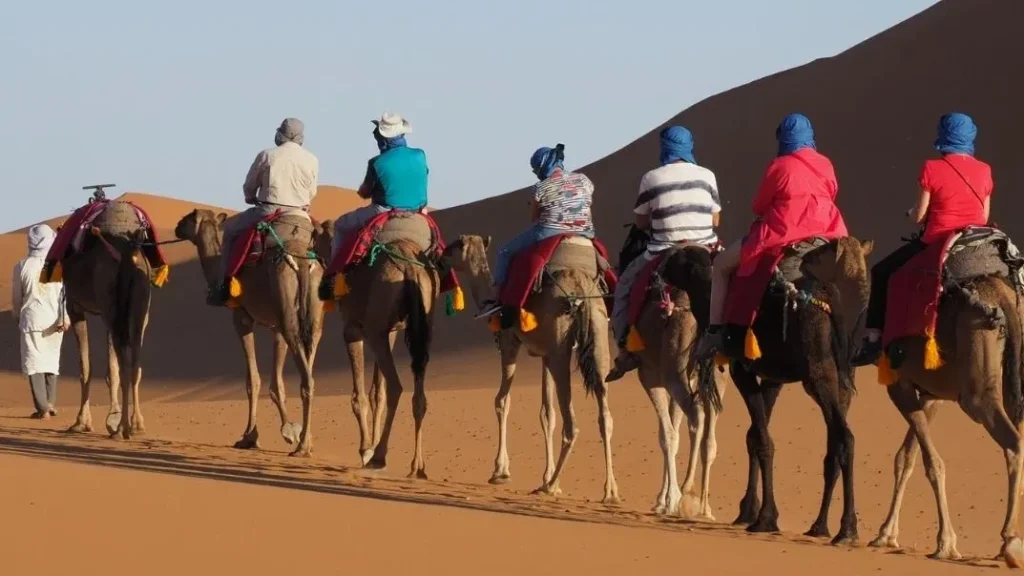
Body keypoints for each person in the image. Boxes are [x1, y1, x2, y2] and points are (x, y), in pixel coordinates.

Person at [695, 113, 848, 358]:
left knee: (722, 265)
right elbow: (832, 191)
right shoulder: (825, 163)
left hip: (782, 233)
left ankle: (714, 331)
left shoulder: (779, 166)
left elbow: (759, 205)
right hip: (829, 230)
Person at [851, 112, 993, 365]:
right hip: (975, 238)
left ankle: (874, 339)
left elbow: (919, 216)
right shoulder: (984, 170)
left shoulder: (932, 168)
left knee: (883, 272)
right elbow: (983, 214)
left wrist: (911, 212)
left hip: (938, 239)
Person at [605, 126, 722, 382]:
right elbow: (715, 219)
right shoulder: (707, 175)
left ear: (664, 148)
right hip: (707, 246)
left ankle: (625, 346)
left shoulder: (651, 177)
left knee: (624, 286)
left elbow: (641, 223)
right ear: (689, 146)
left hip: (664, 249)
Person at [475, 144, 595, 318]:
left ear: (543, 166)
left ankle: (496, 299)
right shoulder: (584, 180)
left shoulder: (540, 188)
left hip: (549, 231)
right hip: (585, 231)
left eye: (535, 169)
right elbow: (588, 204)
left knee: (504, 252)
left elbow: (535, 218)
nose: (536, 173)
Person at [209, 117, 319, 306]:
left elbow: (250, 184)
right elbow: (311, 192)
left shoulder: (267, 155)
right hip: (300, 214)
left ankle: (224, 285)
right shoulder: (312, 159)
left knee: (230, 233)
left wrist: (250, 196)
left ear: (280, 134)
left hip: (268, 210)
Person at [331, 113, 429, 256]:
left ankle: (334, 271)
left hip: (384, 210)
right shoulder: (420, 154)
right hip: (418, 210)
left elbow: (365, 193)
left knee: (340, 225)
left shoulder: (377, 162)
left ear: (383, 138)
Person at [11, 224, 68, 419]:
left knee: (34, 363)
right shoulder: (53, 265)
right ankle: (50, 403)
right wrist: (64, 317)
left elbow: (18, 297)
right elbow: (60, 295)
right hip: (54, 320)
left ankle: (42, 407)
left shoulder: (22, 266)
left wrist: (17, 315)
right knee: (51, 362)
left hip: (32, 320)